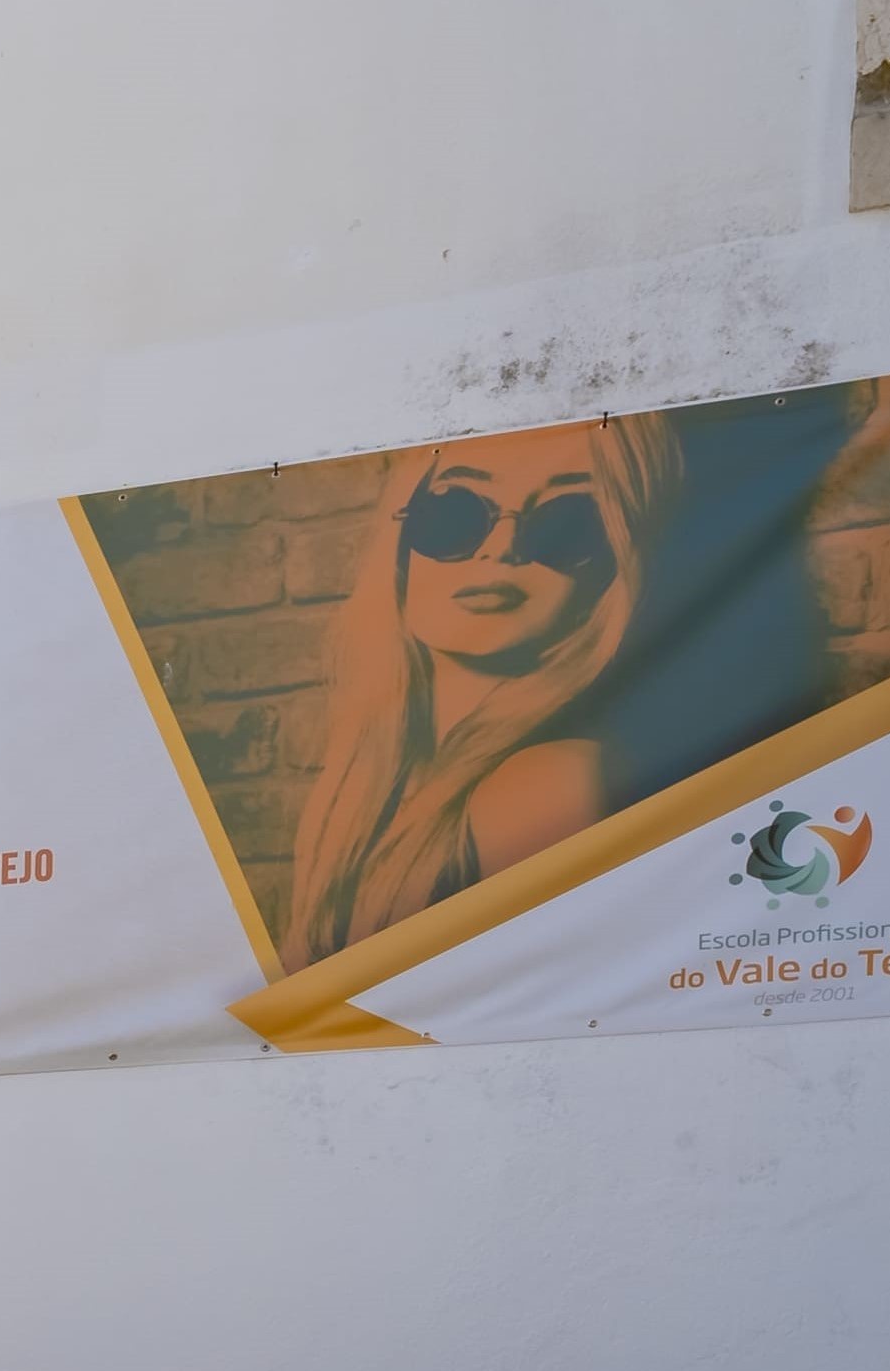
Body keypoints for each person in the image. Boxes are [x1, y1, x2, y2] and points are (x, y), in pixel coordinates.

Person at [281, 416, 685, 970]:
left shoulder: (548, 781)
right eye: (455, 512)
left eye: (567, 522)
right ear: (401, 539)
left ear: (615, 560)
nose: (503, 548)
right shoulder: (361, 787)